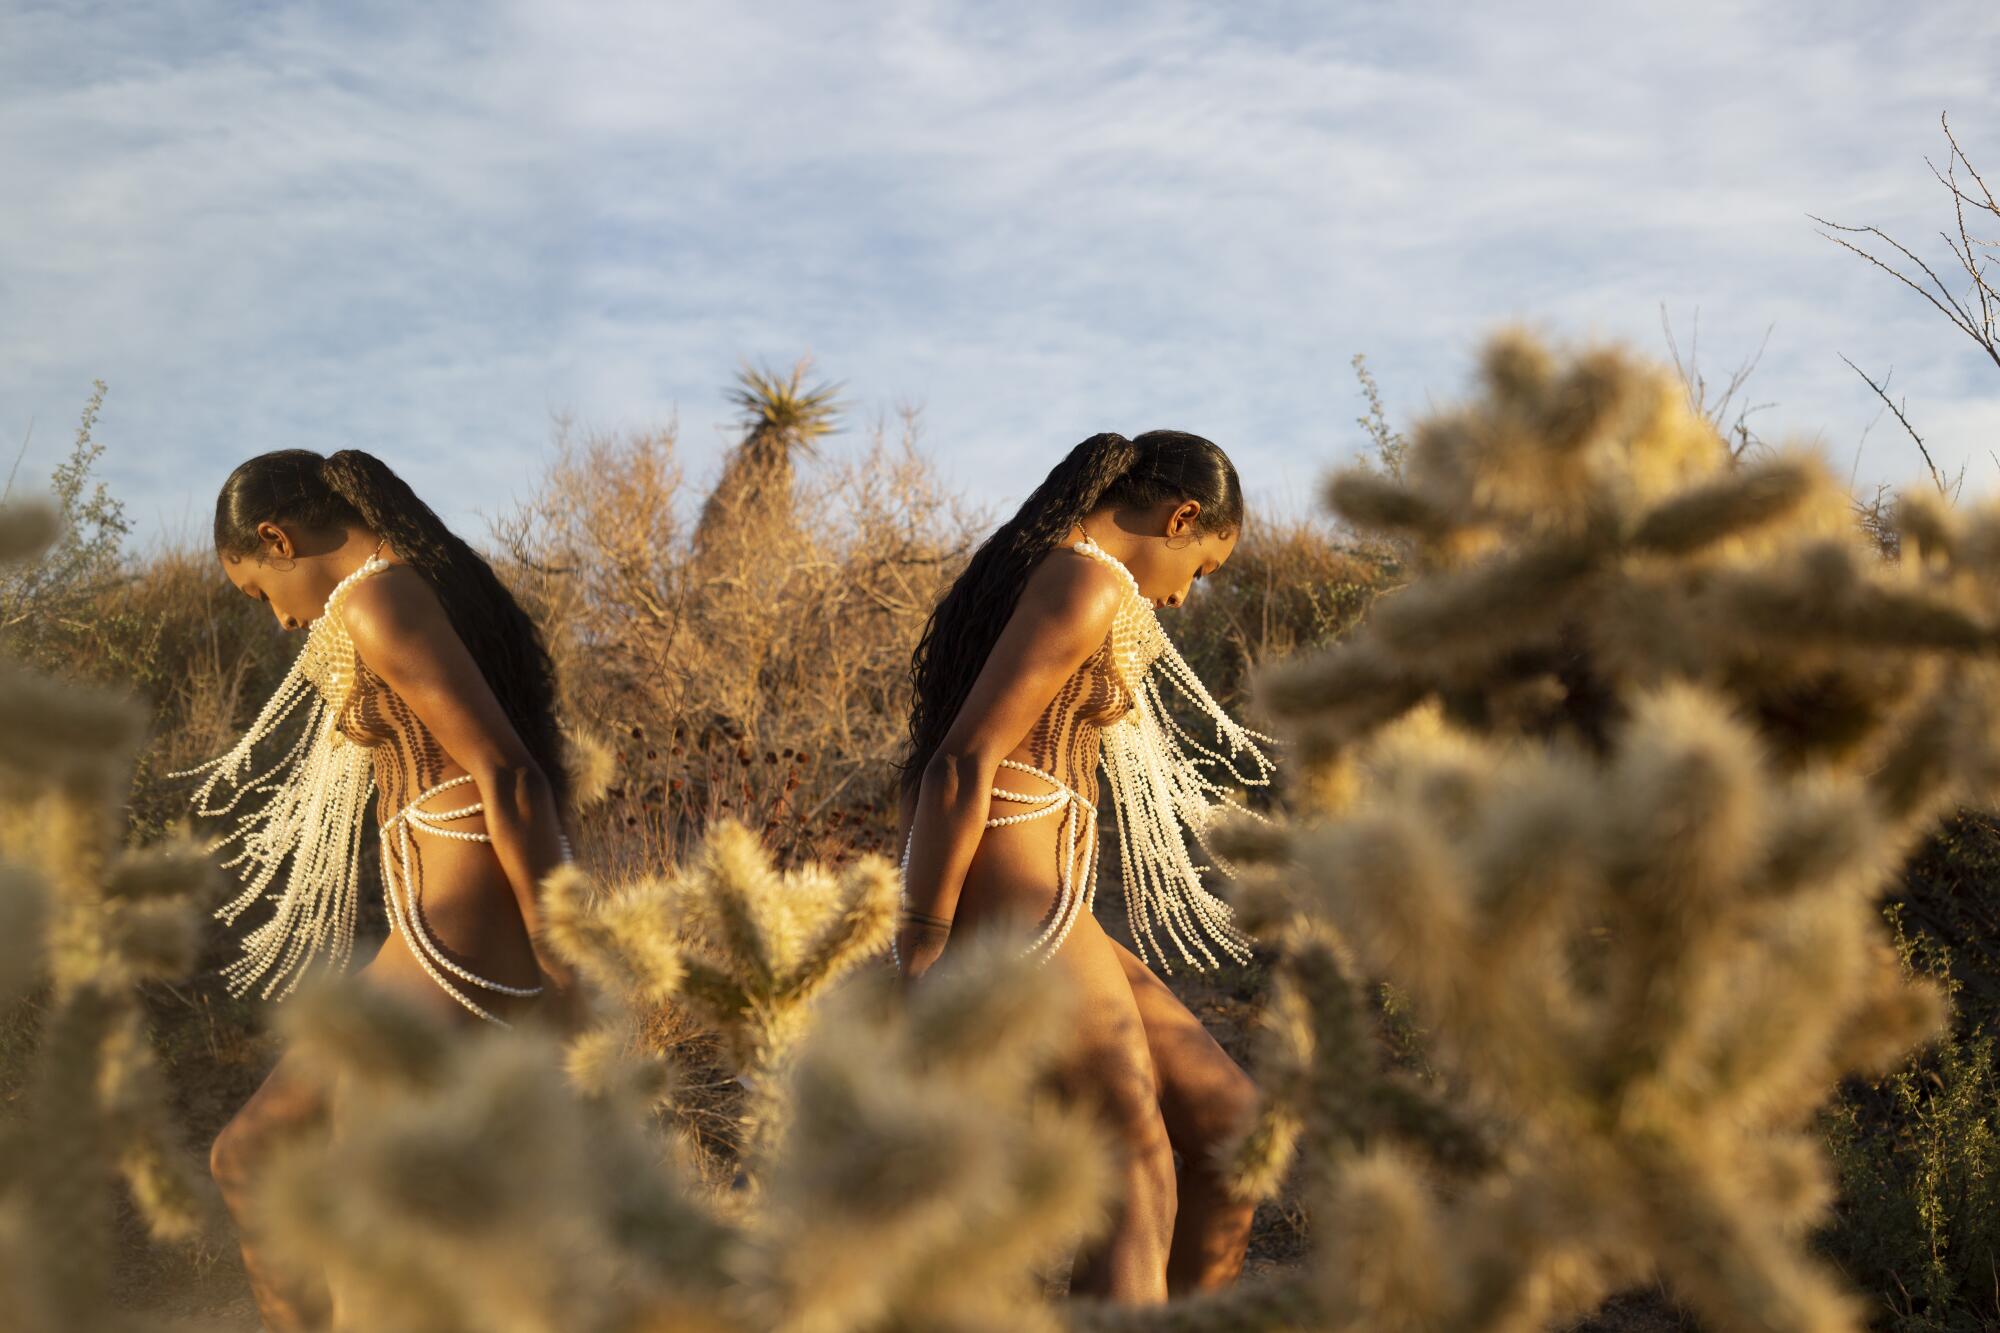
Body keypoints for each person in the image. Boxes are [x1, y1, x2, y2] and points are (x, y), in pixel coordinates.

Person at [176, 448, 576, 1330]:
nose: (276, 621)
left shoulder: (377, 597)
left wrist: (560, 945)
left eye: (257, 591)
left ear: (275, 538)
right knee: (248, 1154)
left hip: (459, 938)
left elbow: (511, 775)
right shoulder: (384, 596)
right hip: (426, 937)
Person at [894, 430, 1276, 1305]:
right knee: (1137, 1175)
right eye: (1204, 566)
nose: (1187, 598)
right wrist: (920, 938)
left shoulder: (1082, 579)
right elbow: (961, 761)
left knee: (1231, 1127)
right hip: (1024, 903)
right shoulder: (1089, 580)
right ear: (1183, 517)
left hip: (1060, 906)